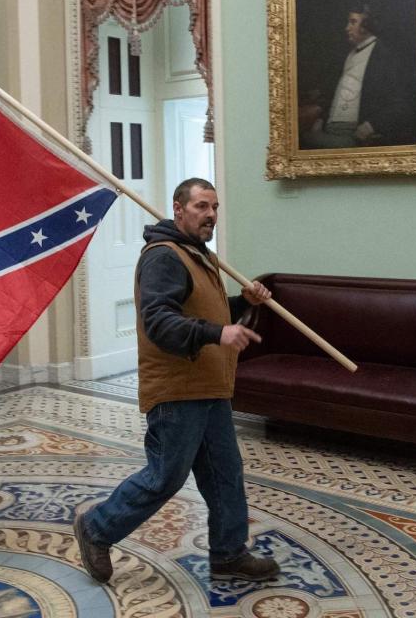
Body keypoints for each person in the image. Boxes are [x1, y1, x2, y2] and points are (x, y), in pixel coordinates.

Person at [73, 178, 281, 584]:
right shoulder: (164, 257)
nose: (211, 215)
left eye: (215, 207)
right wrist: (218, 334)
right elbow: (160, 321)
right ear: (178, 208)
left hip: (210, 387)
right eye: (202, 206)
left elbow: (201, 311)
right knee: (164, 476)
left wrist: (242, 303)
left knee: (225, 473)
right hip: (178, 390)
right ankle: (97, 528)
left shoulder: (198, 254)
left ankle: (228, 554)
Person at [300, 3, 415, 150]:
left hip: (355, 133)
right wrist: (322, 119)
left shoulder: (384, 56)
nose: (347, 28)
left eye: (353, 22)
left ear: (368, 25)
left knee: (307, 141)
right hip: (330, 128)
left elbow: (402, 104)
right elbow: (339, 92)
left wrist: (371, 126)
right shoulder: (349, 54)